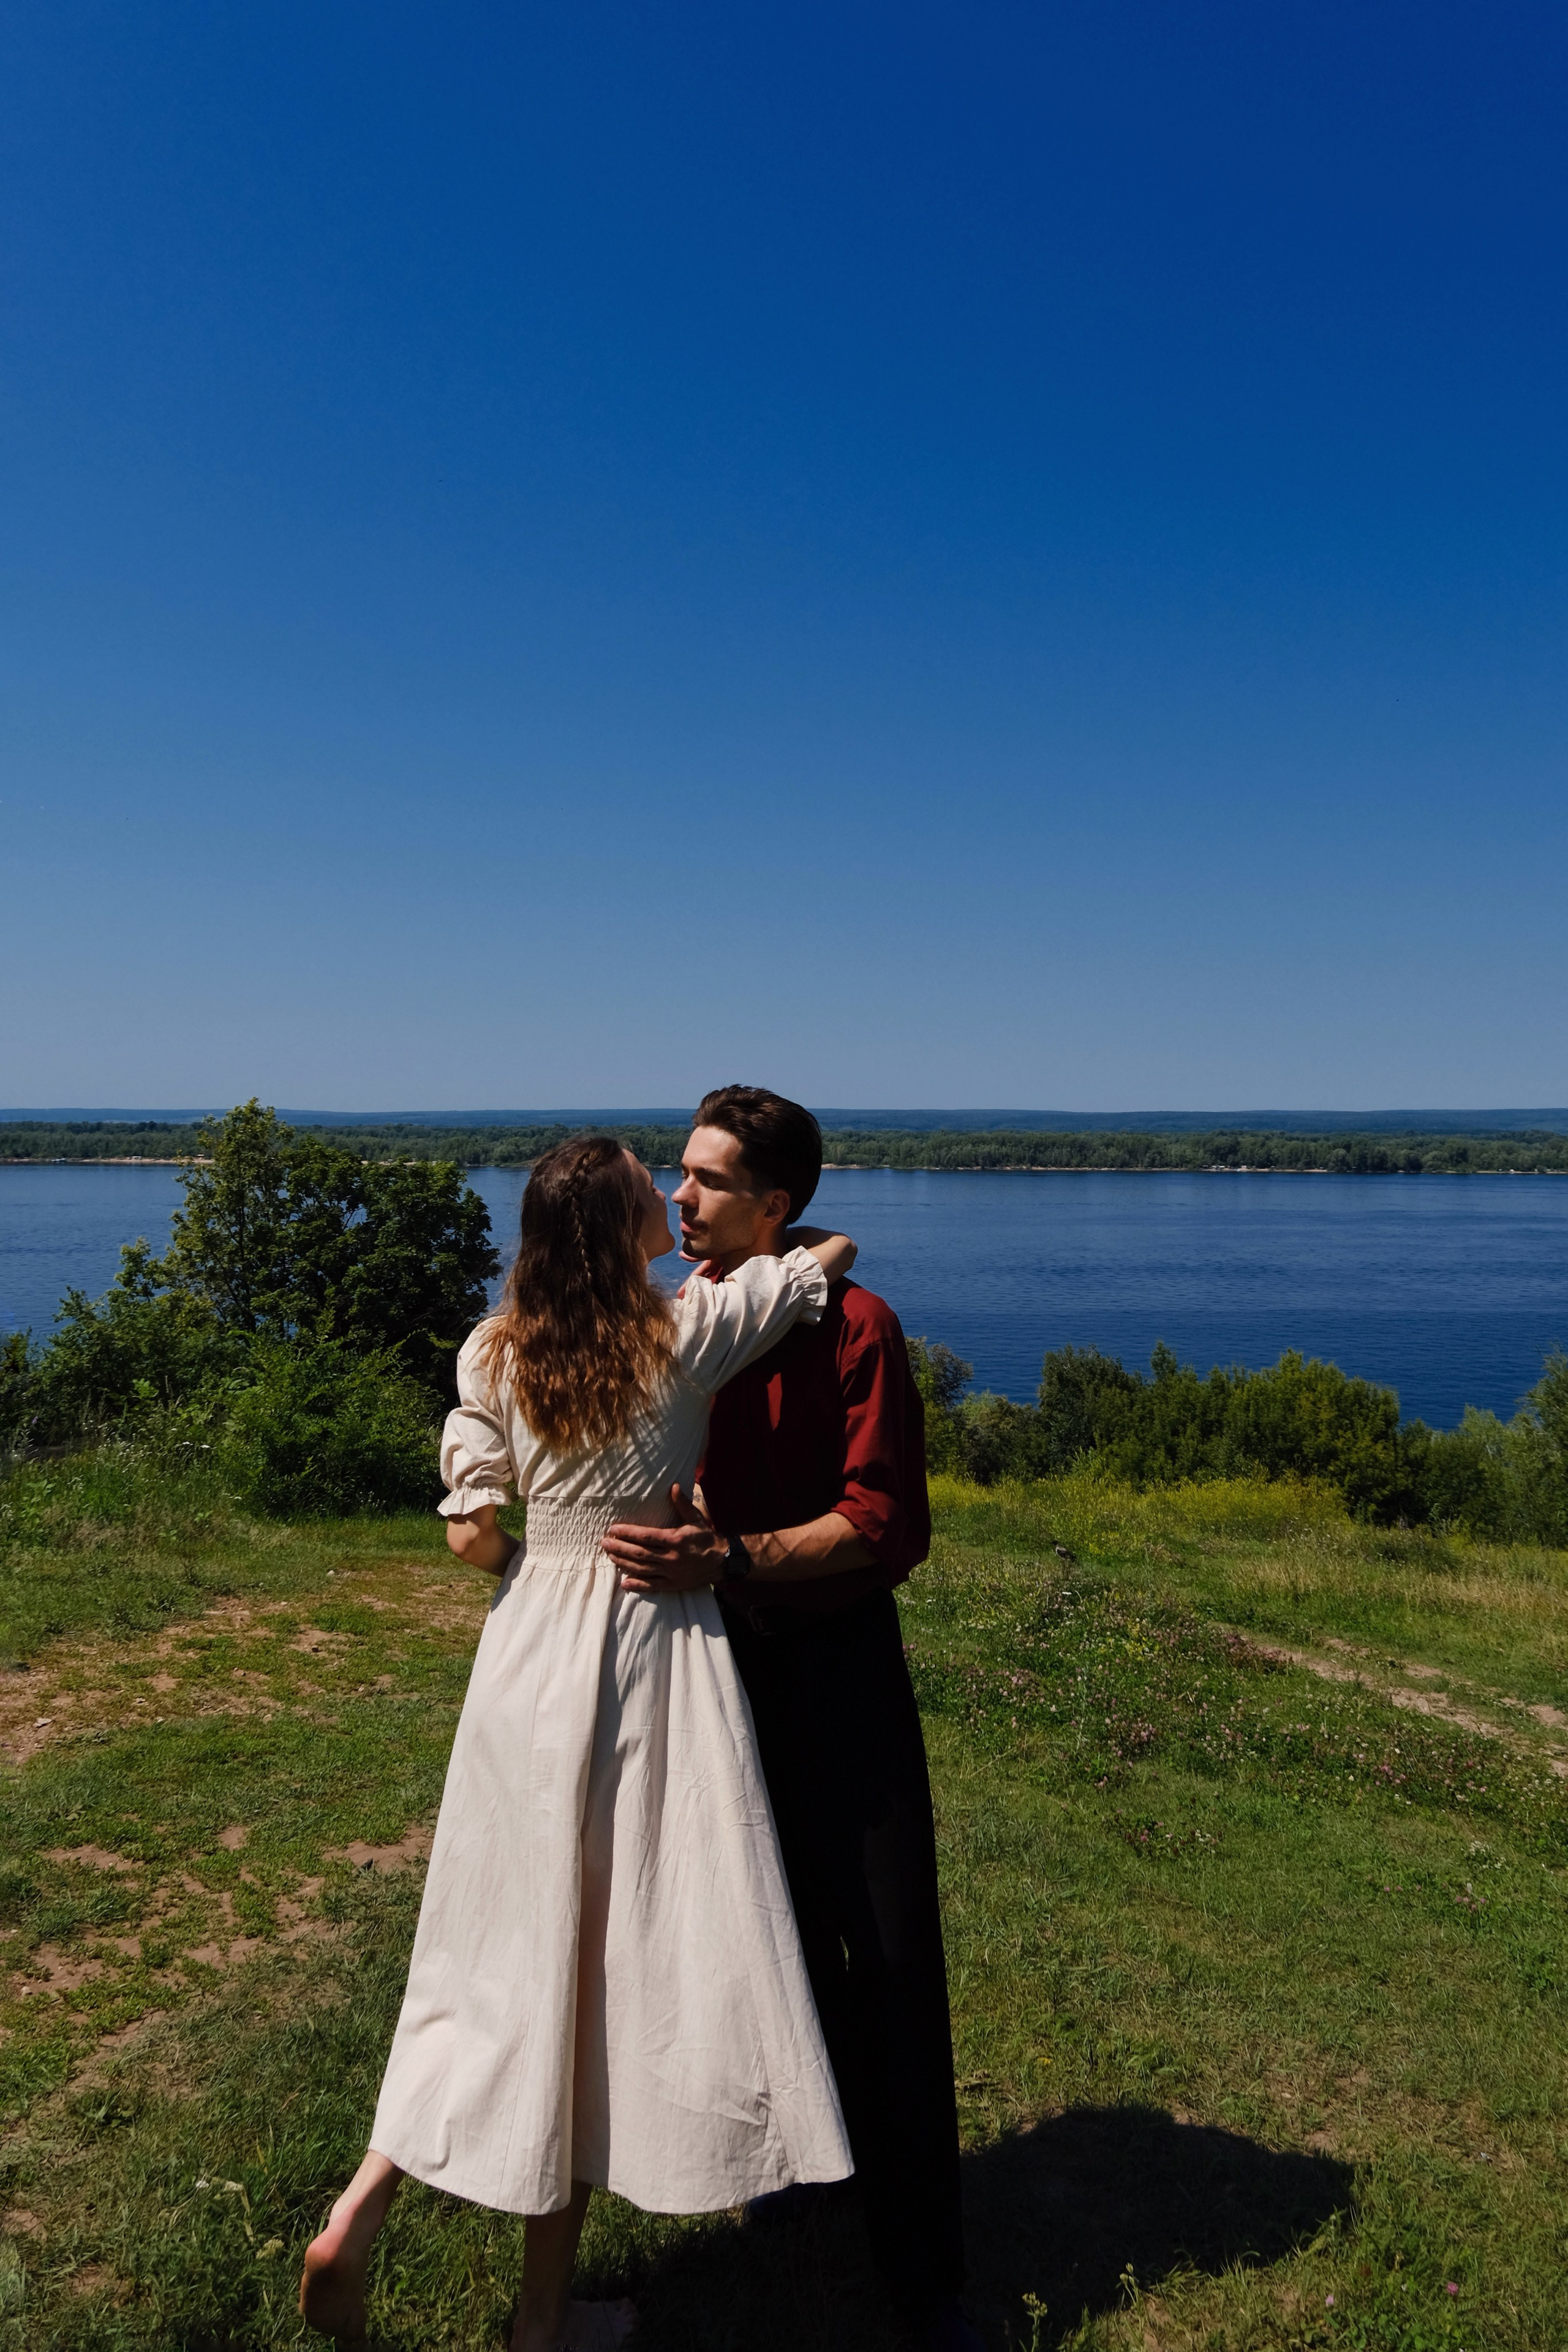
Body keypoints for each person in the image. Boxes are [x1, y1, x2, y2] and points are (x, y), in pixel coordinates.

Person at [300, 1133, 856, 2351]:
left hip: (524, 1655)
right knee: (600, 1967)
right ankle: (540, 2322)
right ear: (614, 1230)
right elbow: (828, 1254)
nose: (671, 1196)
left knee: (490, 1949)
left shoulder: (493, 1350)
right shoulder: (684, 1336)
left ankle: (361, 2205)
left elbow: (469, 1534)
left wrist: (538, 1574)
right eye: (648, 1186)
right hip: (650, 1644)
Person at [603, 1088, 981, 2352]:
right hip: (713, 1669)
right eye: (679, 1173)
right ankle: (800, 2168)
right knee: (759, 1938)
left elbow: (883, 1524)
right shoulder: (681, 1325)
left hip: (836, 1669)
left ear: (776, 1206)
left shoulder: (858, 1329)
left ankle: (923, 2278)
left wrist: (733, 1556)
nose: (680, 1197)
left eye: (708, 1180)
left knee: (888, 1956)